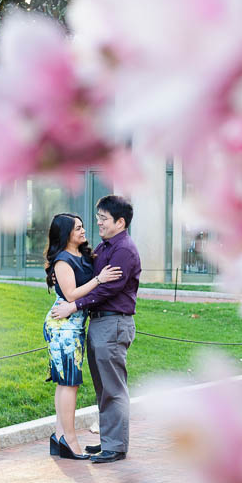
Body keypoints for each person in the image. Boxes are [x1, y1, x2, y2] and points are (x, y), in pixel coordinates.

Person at [52, 195, 141, 464]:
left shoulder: (123, 250)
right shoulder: (106, 247)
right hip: (101, 324)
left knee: (113, 389)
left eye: (103, 218)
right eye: (98, 217)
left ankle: (115, 447)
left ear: (120, 222)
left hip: (113, 324)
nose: (98, 223)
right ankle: (109, 441)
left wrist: (74, 306)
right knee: (104, 388)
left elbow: (107, 288)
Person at [43, 213, 122, 460]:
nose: (83, 230)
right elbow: (71, 294)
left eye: (82, 226)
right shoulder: (63, 261)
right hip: (63, 327)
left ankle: (59, 437)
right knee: (69, 383)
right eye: (77, 228)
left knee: (67, 382)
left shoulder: (83, 255)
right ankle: (69, 438)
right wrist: (99, 279)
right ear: (65, 232)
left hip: (74, 325)